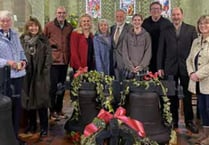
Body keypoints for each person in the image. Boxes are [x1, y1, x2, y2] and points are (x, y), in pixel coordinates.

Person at [157, 7, 198, 133]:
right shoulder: (165, 30)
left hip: (187, 67)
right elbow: (161, 50)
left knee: (187, 95)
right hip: (170, 67)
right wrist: (159, 67)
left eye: (178, 14)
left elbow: (196, 50)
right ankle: (173, 120)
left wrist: (195, 68)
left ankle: (189, 121)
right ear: (171, 16)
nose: (176, 17)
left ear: (182, 15)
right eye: (173, 15)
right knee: (171, 96)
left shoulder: (191, 29)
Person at [20, 17, 52, 137]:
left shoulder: (43, 40)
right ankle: (32, 125)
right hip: (27, 75)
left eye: (36, 26)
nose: (34, 28)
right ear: (27, 28)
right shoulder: (22, 40)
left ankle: (44, 127)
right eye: (31, 26)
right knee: (29, 101)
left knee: (41, 102)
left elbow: (48, 58)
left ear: (39, 27)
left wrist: (44, 71)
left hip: (40, 75)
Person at [0, 10, 27, 144]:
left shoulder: (15, 34)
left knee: (17, 107)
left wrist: (23, 61)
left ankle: (15, 137)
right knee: (6, 108)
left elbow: (21, 51)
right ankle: (6, 138)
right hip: (4, 77)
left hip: (18, 76)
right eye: (2, 20)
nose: (5, 23)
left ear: (11, 21)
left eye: (7, 20)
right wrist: (8, 63)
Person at [44, 6, 73, 121]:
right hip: (54, 62)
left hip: (65, 61)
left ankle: (59, 109)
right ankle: (51, 111)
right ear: (56, 14)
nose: (61, 15)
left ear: (66, 14)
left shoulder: (69, 27)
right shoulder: (49, 26)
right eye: (59, 13)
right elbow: (43, 41)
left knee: (62, 87)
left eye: (63, 13)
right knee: (53, 88)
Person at [186, 15, 209, 144]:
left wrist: (198, 74)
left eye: (206, 23)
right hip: (197, 82)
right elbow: (189, 59)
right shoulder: (196, 41)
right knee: (202, 108)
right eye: (201, 24)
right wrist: (191, 73)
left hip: (207, 81)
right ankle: (205, 134)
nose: (203, 26)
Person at [142, 1, 171, 73]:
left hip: (163, 55)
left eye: (157, 9)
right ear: (150, 11)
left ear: (161, 10)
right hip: (148, 54)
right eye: (153, 9)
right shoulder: (145, 23)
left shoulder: (167, 23)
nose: (155, 11)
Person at [122, 14, 151, 79]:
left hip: (142, 70)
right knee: (128, 88)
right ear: (132, 21)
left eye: (139, 20)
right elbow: (124, 52)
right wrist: (130, 66)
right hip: (129, 69)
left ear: (142, 21)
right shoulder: (127, 35)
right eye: (135, 20)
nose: (137, 22)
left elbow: (148, 52)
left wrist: (141, 66)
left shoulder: (146, 35)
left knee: (142, 89)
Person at [110, 9, 131, 80]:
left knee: (125, 85)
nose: (119, 18)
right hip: (114, 60)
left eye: (121, 16)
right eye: (117, 16)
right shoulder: (112, 28)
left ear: (125, 17)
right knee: (115, 84)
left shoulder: (130, 28)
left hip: (125, 61)